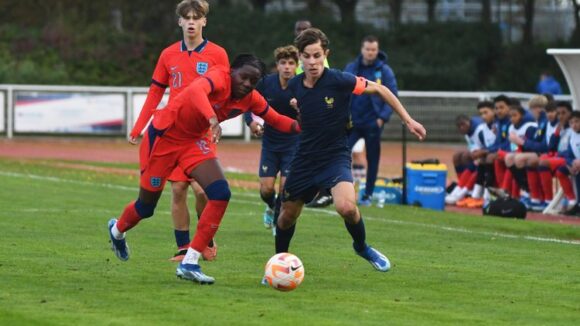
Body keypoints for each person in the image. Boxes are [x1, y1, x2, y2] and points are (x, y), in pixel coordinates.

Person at [108, 55, 301, 284]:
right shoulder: (219, 76)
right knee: (146, 207)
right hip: (164, 136)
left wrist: (303, 127)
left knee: (220, 193)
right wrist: (211, 119)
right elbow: (195, 92)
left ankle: (189, 261)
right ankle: (117, 230)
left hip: (193, 142)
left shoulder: (251, 98)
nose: (248, 84)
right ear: (232, 72)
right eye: (244, 77)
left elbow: (276, 119)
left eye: (254, 80)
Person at [272, 28, 425, 275]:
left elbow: (382, 90)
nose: (313, 62)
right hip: (304, 160)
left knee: (347, 208)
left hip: (335, 157)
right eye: (307, 56)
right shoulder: (294, 88)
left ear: (326, 54)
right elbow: (276, 110)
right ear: (300, 57)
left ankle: (362, 246)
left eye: (317, 55)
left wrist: (408, 120)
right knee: (286, 218)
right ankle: (277, 265)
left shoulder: (340, 80)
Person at [128, 0, 229, 262]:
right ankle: (184, 248)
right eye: (187, 18)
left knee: (204, 192)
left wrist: (214, 119)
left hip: (200, 133)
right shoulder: (168, 55)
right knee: (178, 190)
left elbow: (223, 93)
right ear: (180, 22)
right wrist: (139, 127)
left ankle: (205, 238)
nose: (192, 22)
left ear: (205, 21)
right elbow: (155, 92)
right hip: (173, 133)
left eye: (197, 17)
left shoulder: (218, 54)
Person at [243, 45, 300, 231]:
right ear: (277, 65)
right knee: (266, 189)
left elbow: (311, 117)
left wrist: (300, 109)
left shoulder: (302, 87)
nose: (287, 67)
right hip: (270, 143)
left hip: (293, 144)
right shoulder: (266, 83)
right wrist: (250, 122)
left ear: (297, 65)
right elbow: (247, 101)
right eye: (283, 63)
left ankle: (278, 225)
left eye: (291, 63)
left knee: (285, 189)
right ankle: (270, 206)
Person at [344, 35, 398, 206]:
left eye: (373, 49)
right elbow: (342, 91)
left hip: (373, 123)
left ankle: (367, 195)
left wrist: (381, 119)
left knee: (373, 159)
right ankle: (340, 190)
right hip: (352, 122)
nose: (370, 52)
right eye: (367, 49)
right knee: (341, 154)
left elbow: (392, 95)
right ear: (362, 49)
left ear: (377, 50)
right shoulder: (352, 67)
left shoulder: (384, 71)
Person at [293, 19, 333, 208]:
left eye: (304, 29)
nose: (301, 32)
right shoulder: (298, 55)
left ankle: (325, 192)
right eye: (298, 30)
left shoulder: (316, 57)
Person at [460, 102, 497, 209]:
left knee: (487, 158)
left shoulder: (498, 126)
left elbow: (501, 144)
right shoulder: (484, 129)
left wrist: (485, 151)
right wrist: (481, 152)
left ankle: (486, 196)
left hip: (500, 154)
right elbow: (484, 146)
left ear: (493, 111)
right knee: (481, 159)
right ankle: (475, 195)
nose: (483, 116)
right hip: (491, 155)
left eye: (486, 112)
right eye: (481, 114)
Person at [445, 114, 483, 206]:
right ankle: (461, 187)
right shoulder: (468, 133)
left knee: (471, 158)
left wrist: (478, 154)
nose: (461, 128)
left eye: (463, 125)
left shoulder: (479, 129)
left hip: (487, 153)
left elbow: (486, 145)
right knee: (457, 157)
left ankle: (465, 189)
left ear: (469, 122)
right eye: (459, 126)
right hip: (481, 153)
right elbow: (473, 147)